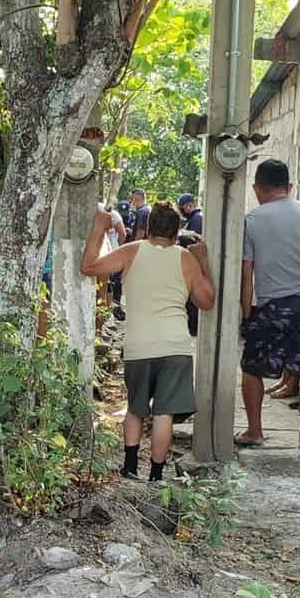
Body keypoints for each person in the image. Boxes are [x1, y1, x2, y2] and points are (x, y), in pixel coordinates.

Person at [81, 201, 215, 480]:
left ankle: (129, 468)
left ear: (149, 227)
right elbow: (206, 301)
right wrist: (203, 262)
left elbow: (89, 266)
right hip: (176, 347)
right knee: (164, 413)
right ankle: (156, 475)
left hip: (139, 345)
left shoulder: (131, 251)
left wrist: (97, 229)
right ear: (177, 231)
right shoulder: (185, 258)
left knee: (136, 409)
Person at [238, 159, 300, 451]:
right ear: (289, 187)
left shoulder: (252, 220)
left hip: (275, 306)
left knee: (252, 367)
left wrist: (246, 315)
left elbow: (247, 275)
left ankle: (255, 431)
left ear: (257, 188)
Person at [177, 194, 203, 337]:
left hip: (194, 264)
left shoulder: (197, 218)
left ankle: (193, 327)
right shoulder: (193, 219)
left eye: (182, 208)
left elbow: (195, 241)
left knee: (192, 299)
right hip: (191, 264)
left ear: (189, 206)